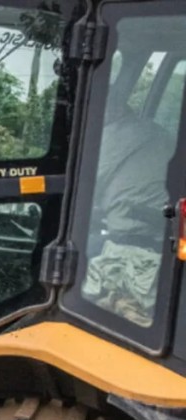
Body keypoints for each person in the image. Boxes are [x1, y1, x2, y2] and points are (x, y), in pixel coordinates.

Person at [82, 102, 174, 327]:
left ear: (112, 111)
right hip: (164, 238)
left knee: (74, 260)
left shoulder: (116, 135)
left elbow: (83, 187)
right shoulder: (159, 133)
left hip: (136, 242)